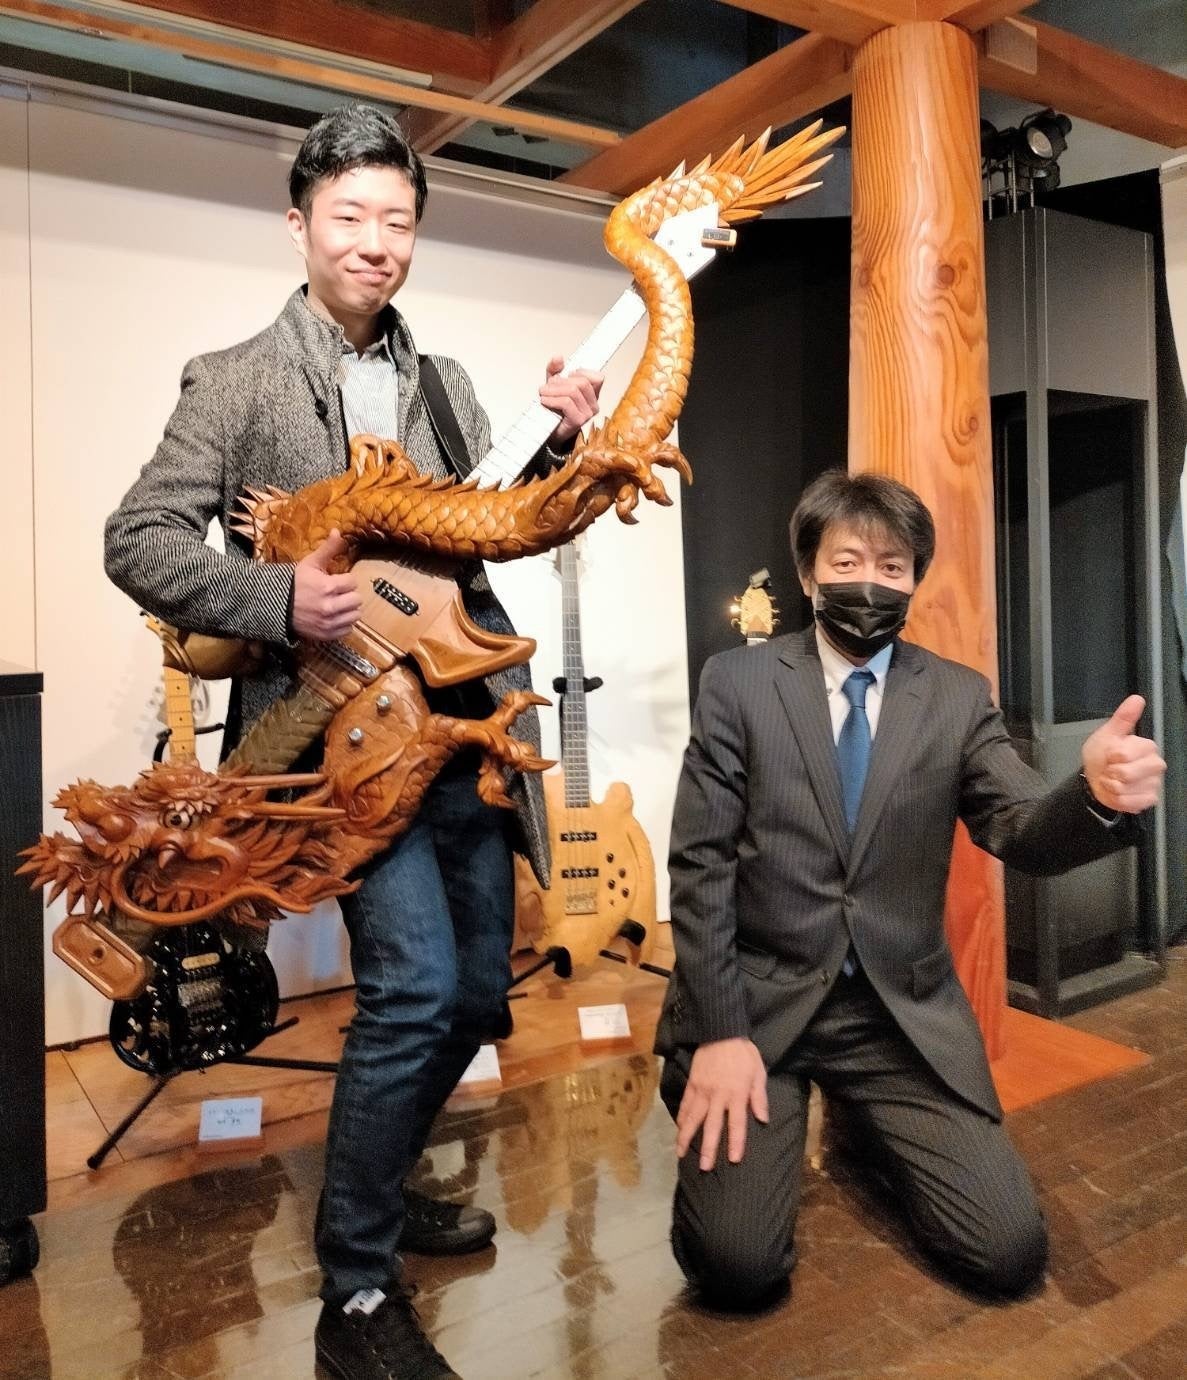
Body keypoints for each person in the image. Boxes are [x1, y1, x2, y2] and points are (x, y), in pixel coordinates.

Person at [105, 103, 603, 1380]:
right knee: (415, 990)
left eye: (397, 220)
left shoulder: (448, 387)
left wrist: (557, 446)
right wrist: (279, 598)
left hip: (465, 732)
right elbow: (137, 539)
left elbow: (476, 527)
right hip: (337, 745)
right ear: (299, 225)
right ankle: (358, 1292)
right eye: (349, 217)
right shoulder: (233, 379)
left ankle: (370, 1182)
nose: (375, 241)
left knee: (480, 995)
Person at [655, 469, 1166, 1311]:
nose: (869, 582)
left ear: (913, 582)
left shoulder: (956, 698)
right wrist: (719, 1033)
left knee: (1007, 1256)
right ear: (808, 574)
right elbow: (699, 867)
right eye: (846, 561)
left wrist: (1093, 796)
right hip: (758, 1003)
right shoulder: (738, 683)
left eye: (891, 566)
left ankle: (866, 1131)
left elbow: (1019, 828)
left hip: (893, 1011)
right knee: (736, 1269)